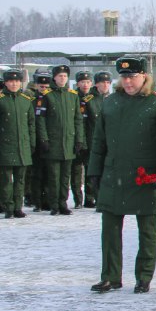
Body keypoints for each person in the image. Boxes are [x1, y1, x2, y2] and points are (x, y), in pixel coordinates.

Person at [87, 57, 156, 294]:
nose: (128, 82)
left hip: (145, 177)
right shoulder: (111, 102)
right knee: (109, 230)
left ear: (144, 76)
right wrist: (94, 170)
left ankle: (144, 276)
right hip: (114, 175)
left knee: (147, 231)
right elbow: (99, 140)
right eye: (124, 77)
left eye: (133, 77)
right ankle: (110, 276)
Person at [37, 64, 85, 215]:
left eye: (65, 76)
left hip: (69, 142)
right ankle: (54, 205)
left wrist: (79, 139)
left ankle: (63, 203)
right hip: (53, 142)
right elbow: (41, 120)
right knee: (53, 176)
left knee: (65, 177)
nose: (62, 78)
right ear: (54, 78)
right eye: (60, 76)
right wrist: (44, 139)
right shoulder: (47, 95)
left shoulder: (73, 95)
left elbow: (78, 119)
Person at [0, 70, 35, 218]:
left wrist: (32, 142)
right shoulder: (1, 100)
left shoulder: (26, 100)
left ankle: (18, 207)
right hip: (5, 147)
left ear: (21, 83)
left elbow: (31, 124)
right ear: (5, 83)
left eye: (17, 81)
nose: (14, 84)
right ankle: (8, 207)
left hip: (23, 146)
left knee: (20, 180)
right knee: (6, 181)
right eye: (11, 81)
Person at [82, 71, 113, 208]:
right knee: (93, 170)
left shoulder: (113, 99)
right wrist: (83, 142)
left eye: (107, 82)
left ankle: (104, 197)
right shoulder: (88, 100)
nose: (105, 85)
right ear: (96, 84)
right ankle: (92, 198)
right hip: (92, 140)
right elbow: (82, 123)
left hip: (109, 141)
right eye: (102, 82)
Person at [28, 70, 52, 212]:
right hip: (36, 142)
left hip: (50, 141)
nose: (43, 89)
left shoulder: (52, 99)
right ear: (36, 86)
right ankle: (36, 201)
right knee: (36, 174)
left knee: (48, 173)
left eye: (46, 86)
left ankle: (47, 200)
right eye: (41, 86)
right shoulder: (30, 100)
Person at [70, 71, 93, 209]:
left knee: (90, 171)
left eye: (88, 82)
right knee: (76, 172)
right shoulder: (73, 97)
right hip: (77, 139)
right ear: (77, 83)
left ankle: (89, 199)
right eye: (82, 82)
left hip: (90, 140)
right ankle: (78, 200)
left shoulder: (94, 98)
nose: (85, 85)